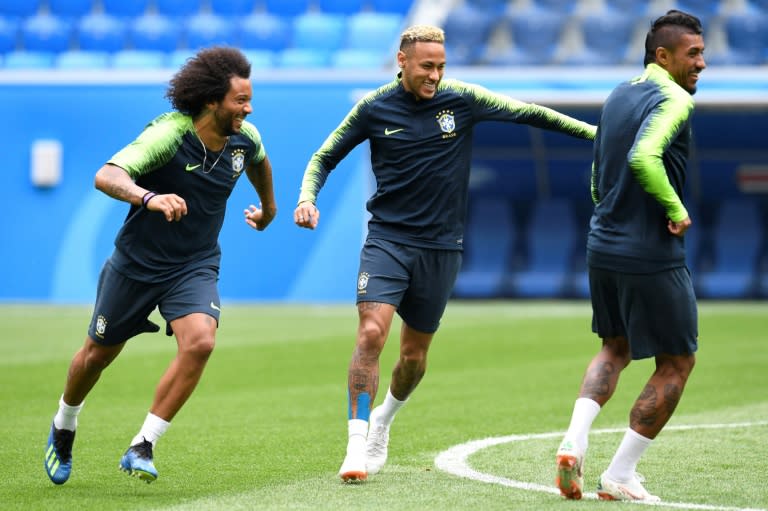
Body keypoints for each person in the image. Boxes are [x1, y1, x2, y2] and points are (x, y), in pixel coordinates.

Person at [294, 24, 597, 482]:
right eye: (426, 66)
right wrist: (306, 198)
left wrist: (599, 135)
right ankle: (355, 446)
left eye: (441, 66)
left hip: (441, 247)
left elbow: (529, 113)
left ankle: (384, 421)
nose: (435, 75)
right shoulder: (374, 107)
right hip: (387, 242)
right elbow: (324, 156)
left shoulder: (463, 99)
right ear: (402, 61)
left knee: (413, 357)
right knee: (371, 334)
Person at [44, 46, 277, 485]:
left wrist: (268, 210)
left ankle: (143, 444)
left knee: (201, 342)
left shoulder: (246, 138)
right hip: (137, 265)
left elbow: (260, 164)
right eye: (240, 101)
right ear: (212, 100)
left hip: (195, 264)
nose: (248, 109)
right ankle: (64, 424)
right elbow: (107, 175)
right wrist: (149, 197)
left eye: (249, 99)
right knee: (96, 356)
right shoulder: (169, 134)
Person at [555, 10, 705, 502]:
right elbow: (644, 156)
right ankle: (619, 475)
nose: (701, 63)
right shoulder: (674, 98)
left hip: (603, 243)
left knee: (614, 349)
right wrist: (675, 208)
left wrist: (610, 215)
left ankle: (573, 442)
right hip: (651, 251)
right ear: (662, 56)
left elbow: (600, 175)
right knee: (677, 362)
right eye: (693, 54)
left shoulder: (618, 94)